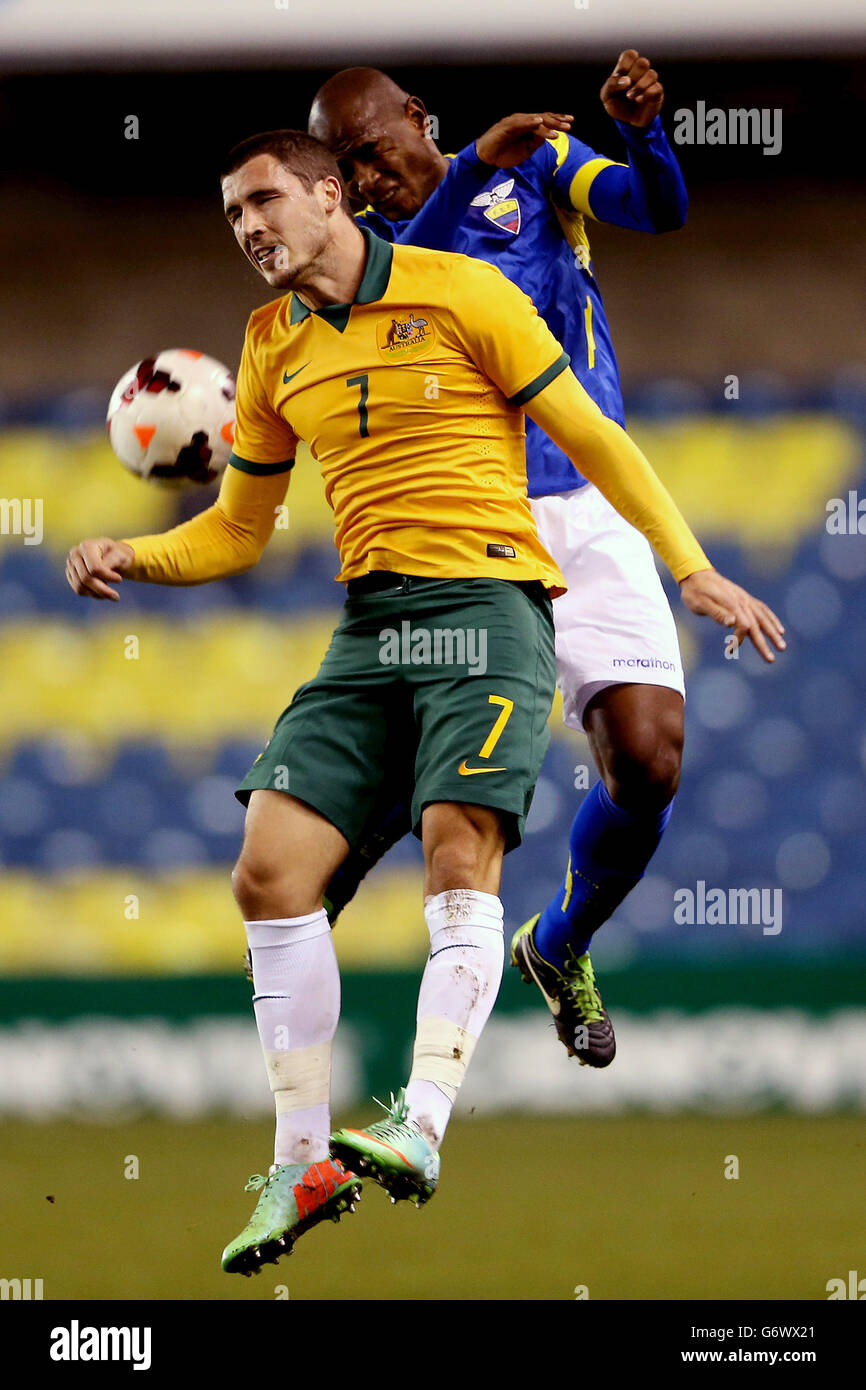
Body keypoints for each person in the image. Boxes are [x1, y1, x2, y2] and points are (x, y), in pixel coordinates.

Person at [66, 129, 782, 1272]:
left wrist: (687, 563)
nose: (248, 228)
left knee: (461, 844)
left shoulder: (464, 291)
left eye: (262, 200)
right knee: (267, 868)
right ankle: (300, 1155)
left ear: (326, 192)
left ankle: (421, 1119)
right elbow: (241, 529)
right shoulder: (267, 344)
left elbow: (591, 435)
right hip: (368, 631)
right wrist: (133, 553)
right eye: (231, 214)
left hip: (489, 610)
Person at [308, 57, 786, 1070]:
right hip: (468, 524)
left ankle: (557, 946)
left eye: (367, 150)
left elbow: (653, 210)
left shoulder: (533, 168)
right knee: (413, 789)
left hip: (589, 495)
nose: (358, 180)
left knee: (650, 759)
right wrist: (468, 164)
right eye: (340, 170)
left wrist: (645, 133)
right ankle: (314, 964)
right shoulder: (370, 247)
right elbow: (392, 304)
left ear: (414, 117)